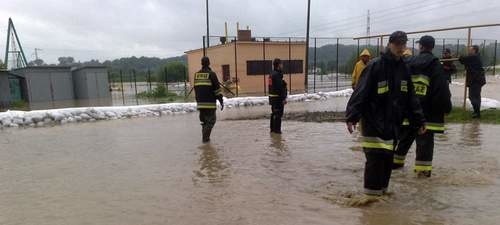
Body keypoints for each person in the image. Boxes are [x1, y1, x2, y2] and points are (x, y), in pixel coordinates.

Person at [346, 31, 425, 197]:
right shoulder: (375, 66)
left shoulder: (404, 68)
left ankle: (381, 204)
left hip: (392, 126)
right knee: (375, 161)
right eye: (397, 44)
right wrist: (352, 116)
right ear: (389, 44)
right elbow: (361, 92)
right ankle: (370, 206)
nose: (400, 47)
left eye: (403, 44)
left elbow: (411, 98)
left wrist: (419, 121)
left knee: (387, 161)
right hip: (373, 124)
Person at [393, 35, 452, 178]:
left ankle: (395, 167)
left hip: (408, 112)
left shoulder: (409, 62)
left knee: (403, 141)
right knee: (425, 145)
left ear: (420, 46)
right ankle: (422, 176)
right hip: (427, 114)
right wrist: (446, 107)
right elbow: (441, 90)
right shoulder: (435, 64)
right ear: (432, 47)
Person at [194, 56, 224, 143]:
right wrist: (221, 101)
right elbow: (217, 90)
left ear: (201, 63)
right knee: (210, 122)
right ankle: (205, 140)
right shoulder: (212, 74)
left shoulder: (197, 75)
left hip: (200, 104)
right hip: (209, 104)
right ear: (209, 63)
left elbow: (196, 89)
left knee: (204, 122)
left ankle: (206, 140)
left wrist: (198, 101)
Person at [459, 45, 486, 118]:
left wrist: (460, 56)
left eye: (470, 50)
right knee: (477, 97)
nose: (469, 51)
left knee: (472, 97)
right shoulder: (474, 57)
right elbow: (464, 61)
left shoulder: (474, 57)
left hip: (475, 80)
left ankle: (477, 112)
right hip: (477, 80)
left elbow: (463, 60)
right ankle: (477, 112)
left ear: (474, 50)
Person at [268, 58, 288, 134]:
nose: (282, 65)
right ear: (279, 65)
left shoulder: (271, 74)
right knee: (278, 115)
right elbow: (280, 88)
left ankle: (272, 131)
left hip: (272, 98)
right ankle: (277, 132)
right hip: (278, 99)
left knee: (274, 114)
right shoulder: (277, 75)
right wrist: (283, 98)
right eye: (281, 64)